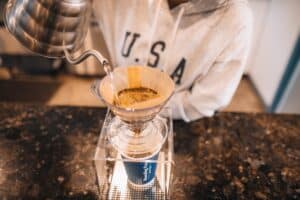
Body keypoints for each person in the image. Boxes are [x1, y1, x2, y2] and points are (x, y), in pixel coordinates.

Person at [92, 0, 253, 122]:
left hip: (178, 123)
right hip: (121, 116)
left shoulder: (235, 19)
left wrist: (139, 107)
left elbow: (204, 102)